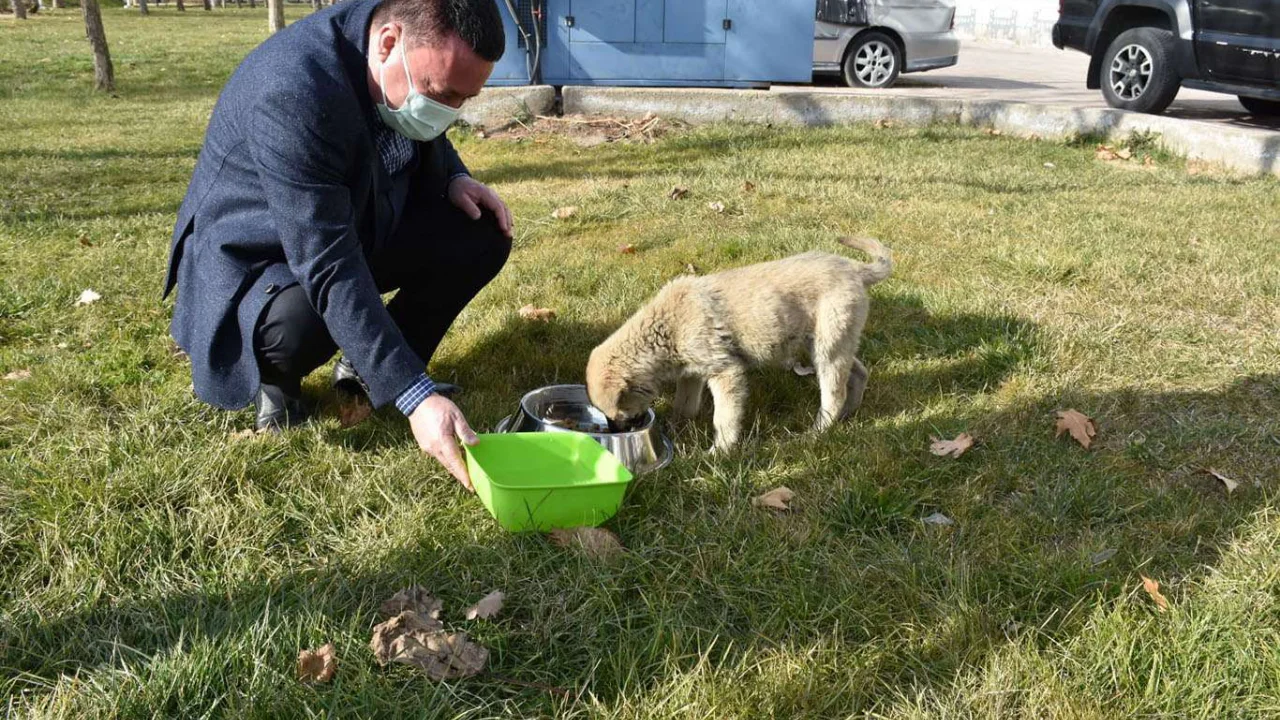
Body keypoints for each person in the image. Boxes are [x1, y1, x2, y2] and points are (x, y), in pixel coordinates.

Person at [163, 0, 512, 490]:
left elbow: (423, 122)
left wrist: (453, 176)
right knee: (312, 317)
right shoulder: (292, 91)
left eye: (464, 99)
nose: (448, 113)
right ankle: (279, 379)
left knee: (481, 232)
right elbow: (328, 266)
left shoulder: (385, 49)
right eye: (442, 94)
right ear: (389, 43)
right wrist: (418, 397)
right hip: (262, 260)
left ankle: (376, 372)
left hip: (353, 220)